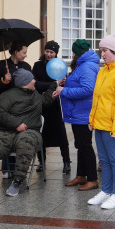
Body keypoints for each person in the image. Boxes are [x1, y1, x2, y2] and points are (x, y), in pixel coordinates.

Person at [0, 69, 59, 196]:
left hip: (31, 132)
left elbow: (47, 99)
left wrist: (55, 84)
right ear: (25, 82)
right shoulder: (7, 95)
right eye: (32, 79)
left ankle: (18, 181)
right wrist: (16, 124)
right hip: (6, 131)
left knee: (25, 142)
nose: (34, 81)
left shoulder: (35, 95)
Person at [88, 34, 115, 209]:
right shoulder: (103, 71)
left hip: (114, 127)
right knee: (104, 161)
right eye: (101, 50)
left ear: (114, 51)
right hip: (100, 124)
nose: (102, 54)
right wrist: (92, 119)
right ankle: (106, 191)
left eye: (105, 50)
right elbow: (97, 98)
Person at [0, 38, 30, 183]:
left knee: (19, 135)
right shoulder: (0, 65)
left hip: (21, 108)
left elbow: (31, 83)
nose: (25, 55)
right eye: (23, 52)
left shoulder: (26, 66)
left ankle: (16, 168)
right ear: (15, 52)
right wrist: (4, 81)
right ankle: (6, 168)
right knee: (4, 135)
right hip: (4, 107)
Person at [61, 40, 100, 191]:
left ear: (77, 53)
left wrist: (63, 91)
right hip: (78, 112)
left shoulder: (87, 66)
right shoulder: (83, 64)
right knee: (80, 145)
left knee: (85, 146)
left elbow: (88, 89)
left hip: (84, 113)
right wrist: (67, 82)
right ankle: (81, 176)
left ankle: (92, 179)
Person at [31, 40, 72, 175]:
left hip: (54, 104)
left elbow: (62, 86)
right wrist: (53, 84)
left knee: (61, 133)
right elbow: (35, 84)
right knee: (40, 133)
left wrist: (63, 83)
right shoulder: (37, 65)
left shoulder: (60, 66)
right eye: (47, 51)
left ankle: (66, 162)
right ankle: (42, 162)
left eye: (52, 52)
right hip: (41, 103)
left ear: (56, 54)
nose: (49, 54)